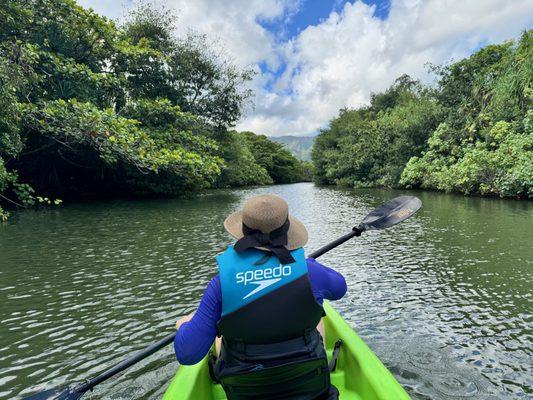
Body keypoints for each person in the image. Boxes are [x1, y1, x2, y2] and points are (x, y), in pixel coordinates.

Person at [174, 194, 347, 399]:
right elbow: (339, 289)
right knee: (317, 309)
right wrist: (308, 265)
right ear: (287, 231)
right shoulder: (310, 272)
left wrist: (185, 324)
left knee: (220, 326)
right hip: (309, 386)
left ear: (243, 230)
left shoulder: (220, 284)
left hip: (248, 389)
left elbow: (188, 354)